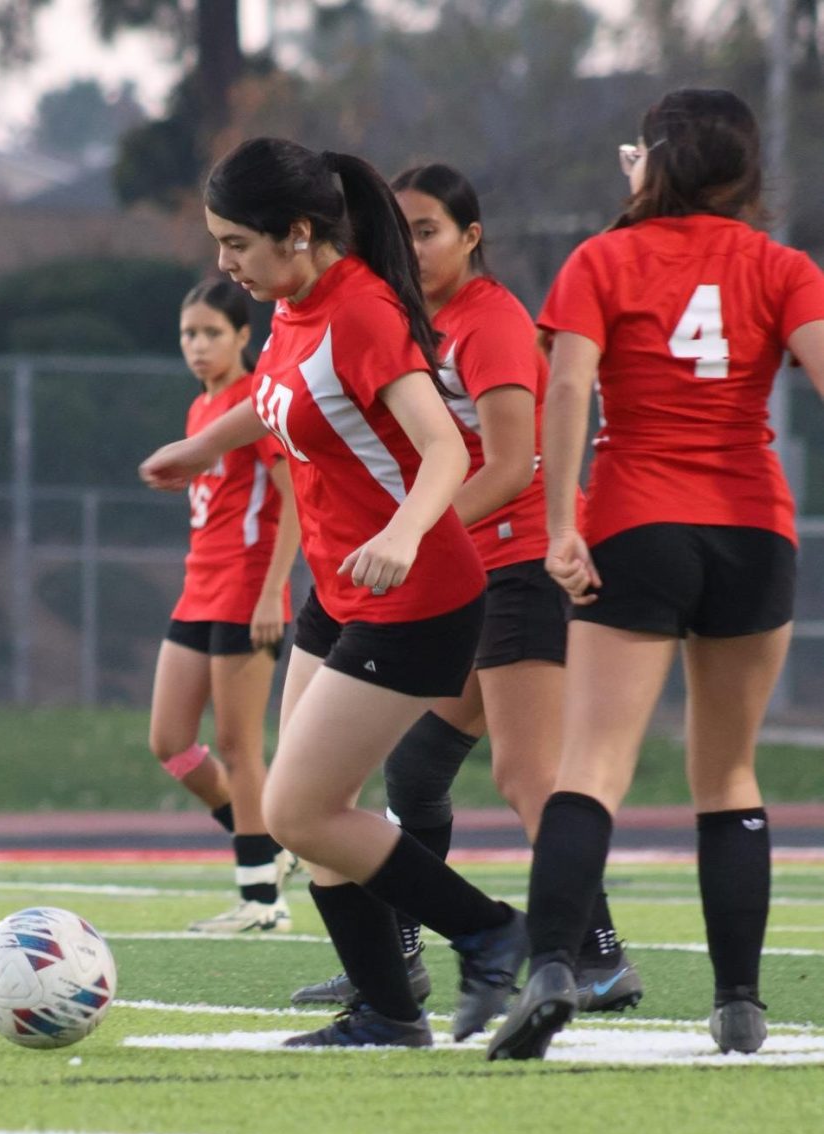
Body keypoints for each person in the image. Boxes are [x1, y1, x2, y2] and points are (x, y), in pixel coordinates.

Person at [140, 136, 528, 1048]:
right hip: (343, 589)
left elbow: (444, 447)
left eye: (235, 243)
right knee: (314, 819)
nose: (223, 263)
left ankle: (489, 931)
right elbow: (278, 395)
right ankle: (391, 1012)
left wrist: (403, 531)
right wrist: (203, 447)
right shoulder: (293, 304)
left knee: (296, 810)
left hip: (417, 591)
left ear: (298, 232)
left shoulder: (359, 312)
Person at [487, 88, 824, 1060]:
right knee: (725, 772)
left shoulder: (603, 258)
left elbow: (565, 382)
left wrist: (560, 526)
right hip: (751, 529)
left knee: (591, 766)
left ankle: (551, 964)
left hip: (636, 522)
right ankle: (737, 1004)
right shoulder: (780, 265)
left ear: (658, 161)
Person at [289, 163, 642, 1030]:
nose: (410, 247)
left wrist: (414, 527)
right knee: (414, 767)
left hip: (514, 562)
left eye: (428, 230)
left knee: (529, 777)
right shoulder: (407, 316)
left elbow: (512, 464)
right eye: (398, 229)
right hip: (456, 570)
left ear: (470, 237)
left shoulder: (489, 320)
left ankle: (589, 956)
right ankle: (395, 959)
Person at [150, 278, 301, 933]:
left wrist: (273, 589)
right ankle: (270, 846)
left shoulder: (256, 402)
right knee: (172, 743)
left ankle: (262, 901)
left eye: (213, 332)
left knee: (241, 746)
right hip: (198, 586)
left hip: (247, 588)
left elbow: (298, 496)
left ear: (245, 336)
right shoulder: (199, 409)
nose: (199, 345)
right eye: (190, 333)